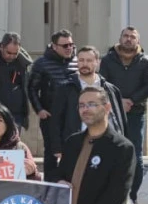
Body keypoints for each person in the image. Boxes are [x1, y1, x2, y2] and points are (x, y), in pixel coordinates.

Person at [100, 27, 148, 204]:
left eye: (132, 37)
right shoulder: (108, 60)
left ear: (138, 41)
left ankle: (134, 197)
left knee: (135, 155)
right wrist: (117, 101)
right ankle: (110, 197)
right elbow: (102, 82)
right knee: (110, 153)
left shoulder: (146, 61)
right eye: (125, 36)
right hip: (111, 114)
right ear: (120, 38)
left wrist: (131, 100)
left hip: (135, 113)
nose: (128, 39)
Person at [47, 46, 127, 177]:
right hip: (77, 145)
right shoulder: (65, 88)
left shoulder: (110, 89)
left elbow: (120, 119)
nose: (85, 64)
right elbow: (55, 120)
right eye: (81, 60)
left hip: (107, 144)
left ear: (97, 62)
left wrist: (123, 142)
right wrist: (57, 148)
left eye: (89, 60)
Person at [30, 29, 78, 177]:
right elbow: (31, 88)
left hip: (73, 115)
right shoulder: (42, 63)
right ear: (54, 46)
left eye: (71, 44)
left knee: (74, 150)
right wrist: (39, 109)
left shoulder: (77, 62)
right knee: (51, 151)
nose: (69, 48)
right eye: (65, 46)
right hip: (50, 115)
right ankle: (50, 185)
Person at [0, 33, 31, 129]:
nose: (12, 56)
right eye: (9, 53)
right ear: (2, 47)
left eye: (15, 53)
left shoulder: (23, 64)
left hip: (16, 115)